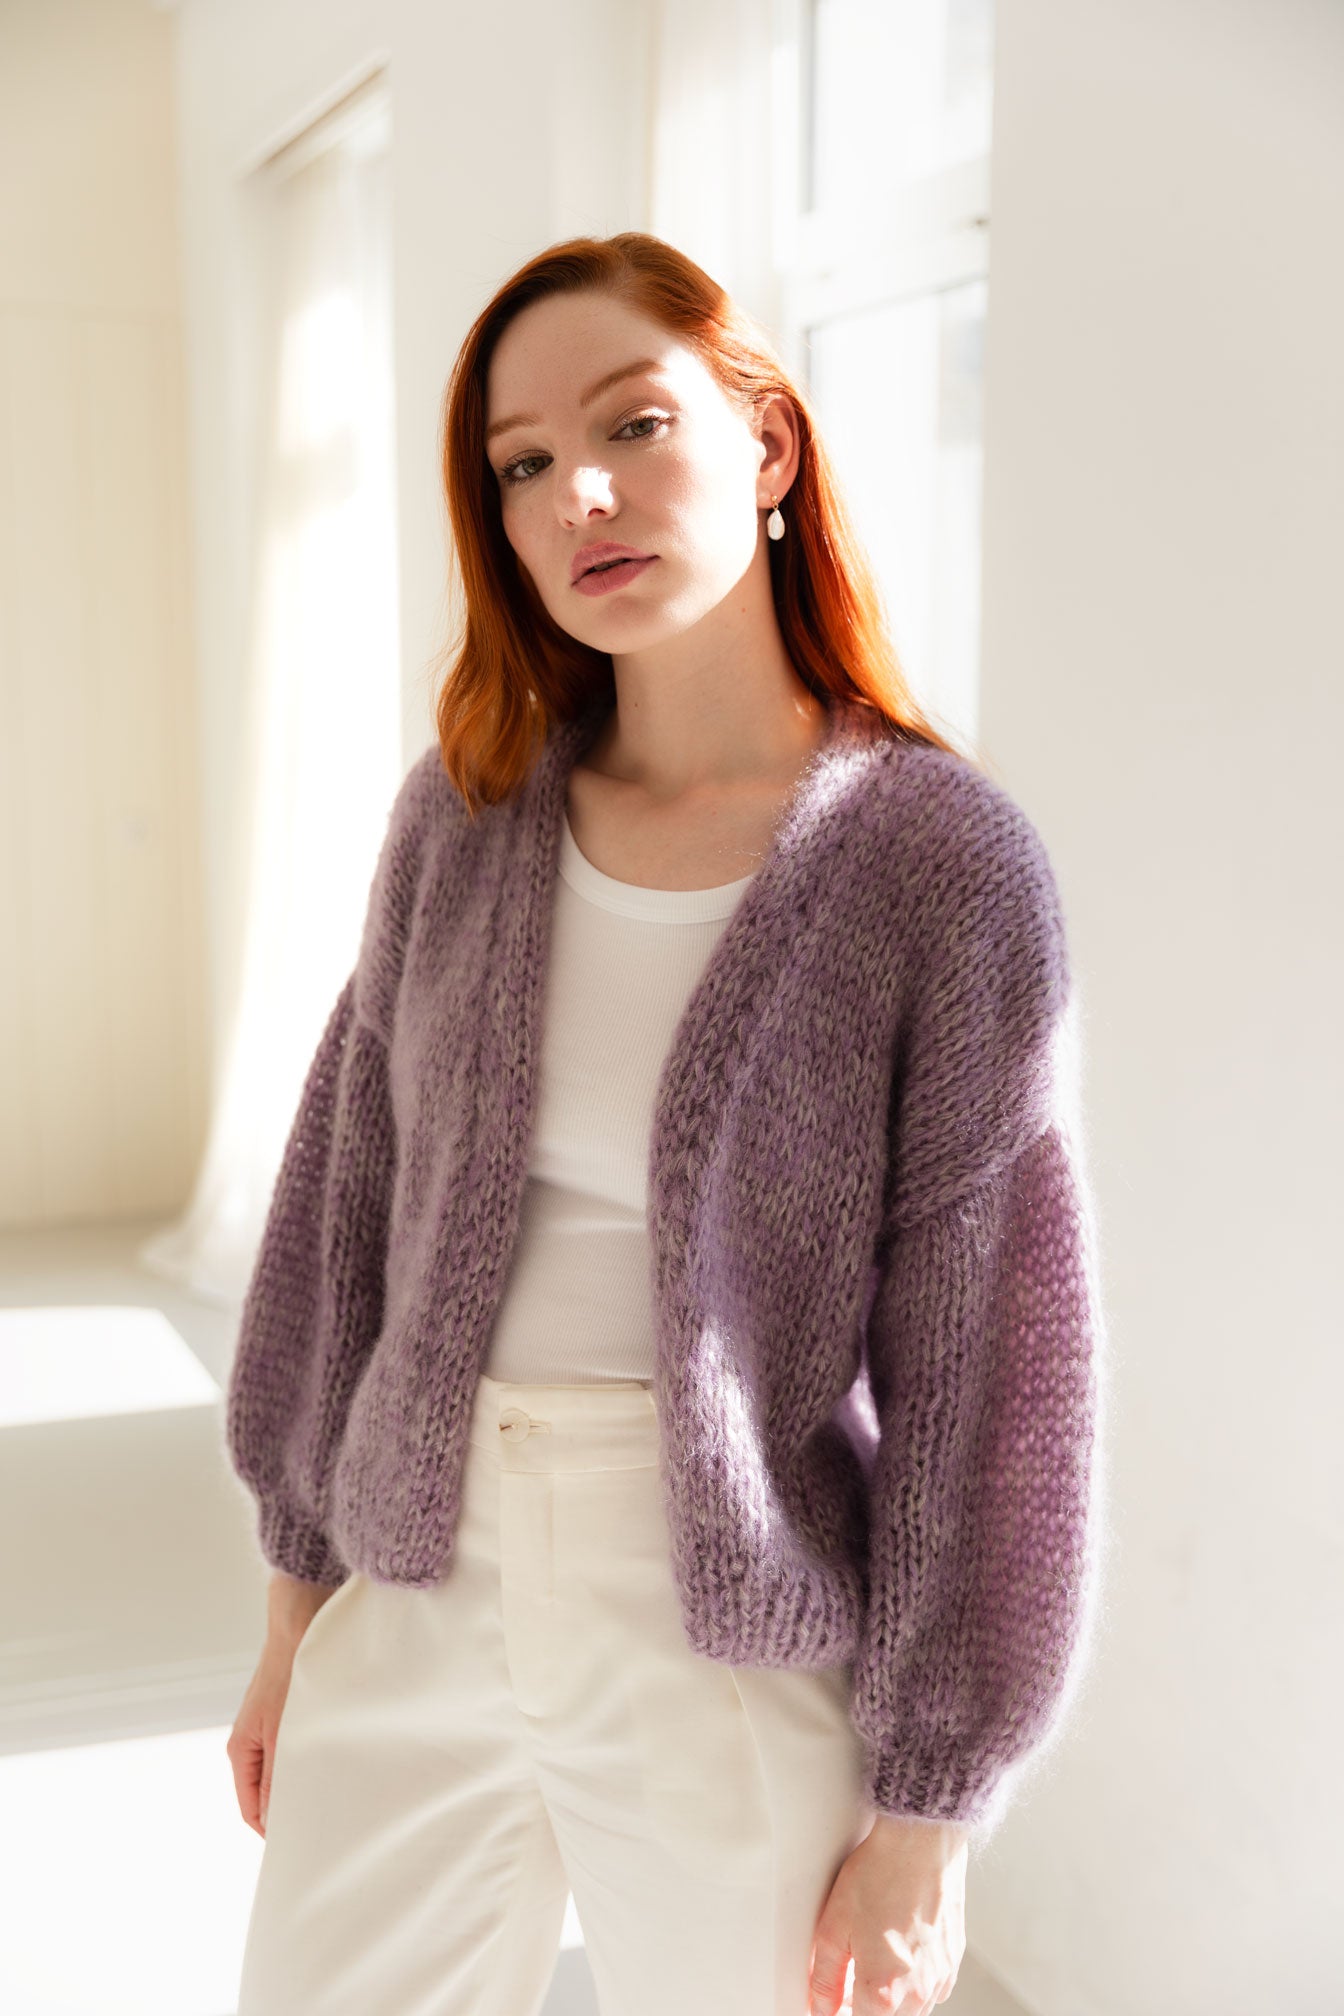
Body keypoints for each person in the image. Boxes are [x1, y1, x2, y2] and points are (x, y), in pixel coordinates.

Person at [223, 231, 1104, 2016]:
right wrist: (292, 1613)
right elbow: (346, 1203)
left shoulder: (939, 866)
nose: (582, 496)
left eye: (635, 423)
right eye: (524, 464)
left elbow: (997, 1361)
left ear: (770, 446)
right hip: (420, 1555)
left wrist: (931, 1807)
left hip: (723, 1619)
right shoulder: (464, 816)